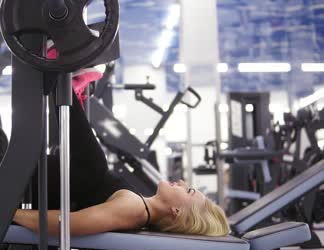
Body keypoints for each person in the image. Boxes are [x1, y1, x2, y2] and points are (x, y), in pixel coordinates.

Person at [13, 70, 230, 238]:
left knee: (93, 166)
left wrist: (5, 214)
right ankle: (66, 85)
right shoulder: (140, 206)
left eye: (189, 190)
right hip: (33, 183)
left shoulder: (134, 210)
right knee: (93, 168)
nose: (183, 182)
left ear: (176, 211)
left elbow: (66, 224)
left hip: (17, 188)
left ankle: (60, 76)